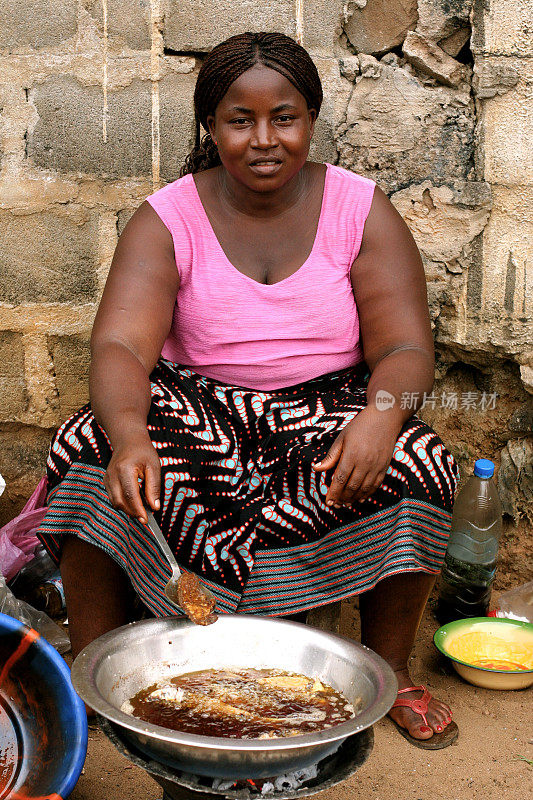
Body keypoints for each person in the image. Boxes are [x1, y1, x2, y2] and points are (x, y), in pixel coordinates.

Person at [37, 32, 459, 748]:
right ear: (211, 126)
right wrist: (132, 437)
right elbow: (118, 345)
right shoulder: (168, 217)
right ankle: (94, 668)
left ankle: (387, 670)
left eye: (284, 117)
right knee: (86, 446)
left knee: (421, 463)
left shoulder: (359, 210)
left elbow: (406, 347)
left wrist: (380, 420)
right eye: (240, 120)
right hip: (195, 406)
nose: (264, 139)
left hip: (326, 412)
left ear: (311, 120)